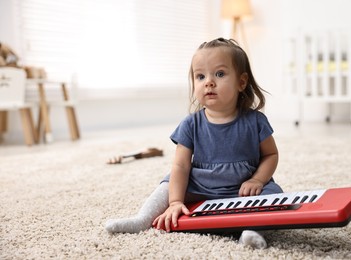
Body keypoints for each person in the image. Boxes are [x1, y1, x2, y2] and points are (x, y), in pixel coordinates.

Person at [105, 38, 283, 249]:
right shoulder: (191, 124)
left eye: (219, 74)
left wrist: (258, 180)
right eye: (200, 76)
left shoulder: (255, 121)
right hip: (201, 184)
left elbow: (270, 155)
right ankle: (142, 219)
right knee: (168, 185)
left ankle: (251, 230)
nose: (209, 82)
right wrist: (175, 202)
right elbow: (180, 166)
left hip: (243, 186)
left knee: (275, 196)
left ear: (241, 82)